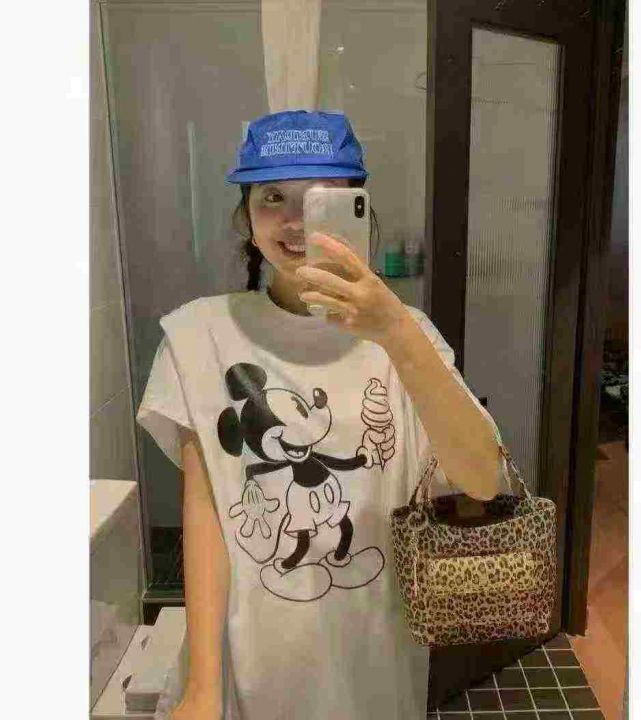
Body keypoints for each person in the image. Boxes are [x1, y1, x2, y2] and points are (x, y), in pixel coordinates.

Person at [136, 110, 516, 720]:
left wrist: (395, 331)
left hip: (375, 662)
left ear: (358, 211)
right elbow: (205, 512)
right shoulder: (198, 335)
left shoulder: (409, 336)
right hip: (248, 665)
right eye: (273, 197)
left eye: (321, 199)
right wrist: (203, 687)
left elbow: (483, 481)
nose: (295, 221)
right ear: (245, 217)